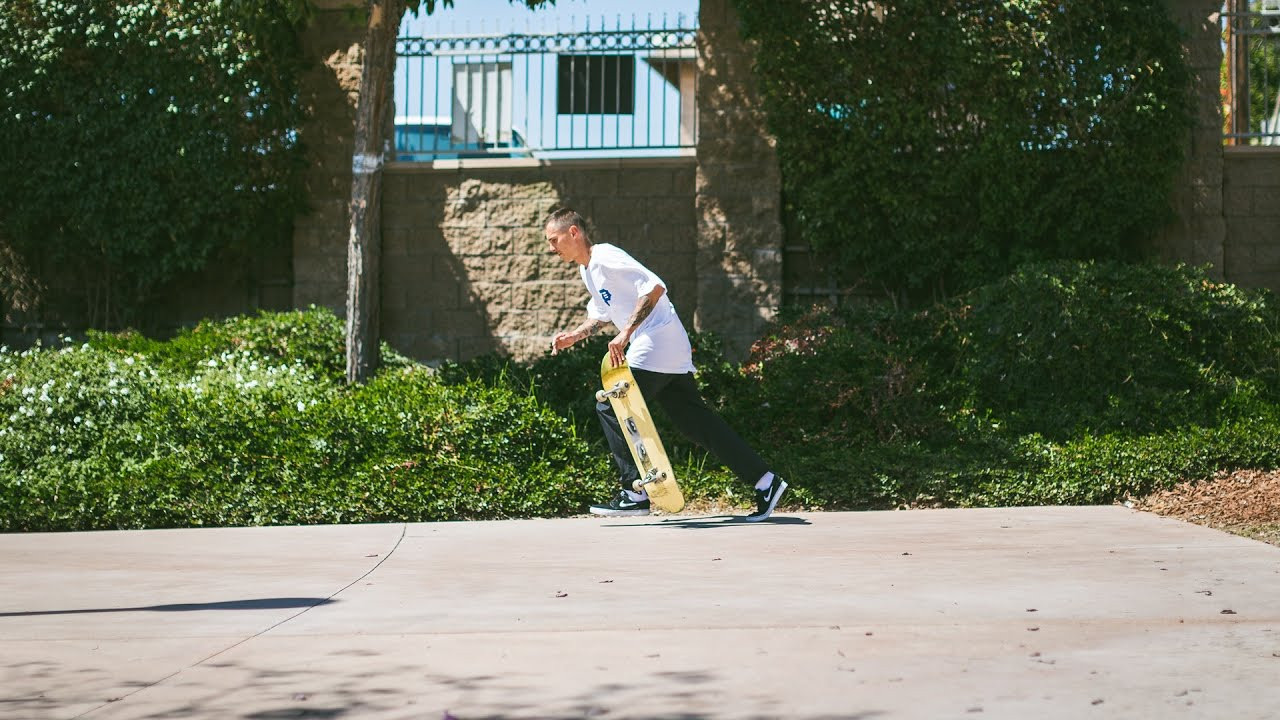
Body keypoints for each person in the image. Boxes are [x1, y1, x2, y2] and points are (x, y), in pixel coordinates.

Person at [544, 208, 788, 521]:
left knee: (612, 406)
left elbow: (654, 287)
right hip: (670, 348)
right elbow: (602, 313)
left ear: (574, 232)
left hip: (654, 343)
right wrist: (575, 335)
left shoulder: (605, 257)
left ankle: (634, 493)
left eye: (555, 240)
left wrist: (626, 333)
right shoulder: (588, 269)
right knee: (696, 424)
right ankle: (766, 482)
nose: (552, 248)